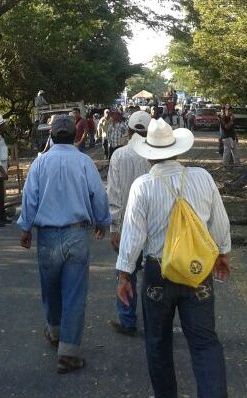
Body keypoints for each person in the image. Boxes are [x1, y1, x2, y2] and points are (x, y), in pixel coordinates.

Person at [116, 118, 231, 397]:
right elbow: (220, 223)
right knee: (205, 342)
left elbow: (133, 236)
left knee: (158, 343)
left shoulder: (142, 186)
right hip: (197, 271)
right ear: (177, 150)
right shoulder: (202, 177)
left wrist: (124, 274)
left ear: (148, 155)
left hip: (159, 274)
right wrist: (222, 255)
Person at [17, 115, 111, 374]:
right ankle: (68, 353)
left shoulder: (39, 163)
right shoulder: (84, 162)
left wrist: (26, 228)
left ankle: (55, 333)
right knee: (74, 294)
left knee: (51, 289)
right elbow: (98, 195)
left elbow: (30, 198)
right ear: (75, 135)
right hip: (77, 235)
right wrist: (102, 222)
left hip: (47, 237)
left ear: (51, 135)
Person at [106, 111, 151, 337]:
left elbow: (113, 194)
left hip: (126, 226)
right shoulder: (156, 154)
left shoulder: (119, 155)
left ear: (129, 130)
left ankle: (127, 320)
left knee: (126, 271)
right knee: (154, 275)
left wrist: (113, 227)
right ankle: (155, 320)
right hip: (154, 227)